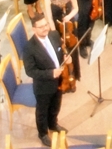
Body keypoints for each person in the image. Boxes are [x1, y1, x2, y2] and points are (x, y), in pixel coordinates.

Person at [22, 15, 70, 147]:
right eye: (41, 27)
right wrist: (51, 73)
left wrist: (66, 56)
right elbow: (30, 71)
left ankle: (53, 124)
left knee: (56, 105)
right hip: (43, 86)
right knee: (42, 111)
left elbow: (61, 50)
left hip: (59, 81)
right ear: (34, 29)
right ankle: (42, 133)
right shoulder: (29, 48)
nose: (45, 28)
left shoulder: (54, 35)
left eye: (46, 25)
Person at [43, 0, 81, 80]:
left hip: (69, 27)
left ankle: (73, 74)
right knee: (60, 52)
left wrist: (69, 16)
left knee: (72, 50)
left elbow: (76, 9)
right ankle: (62, 78)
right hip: (55, 28)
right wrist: (55, 34)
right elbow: (49, 18)